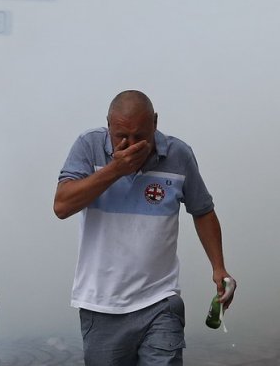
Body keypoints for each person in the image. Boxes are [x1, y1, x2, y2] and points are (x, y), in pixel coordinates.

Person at [53, 90, 235, 366]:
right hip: (101, 304)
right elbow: (62, 206)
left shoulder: (179, 154)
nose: (130, 144)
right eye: (121, 136)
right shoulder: (88, 146)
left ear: (155, 123)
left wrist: (219, 267)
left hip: (160, 300)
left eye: (140, 137)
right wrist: (115, 170)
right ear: (108, 125)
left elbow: (203, 211)